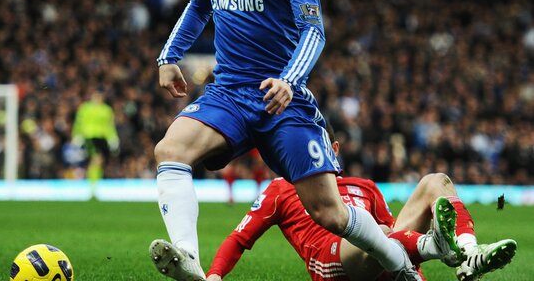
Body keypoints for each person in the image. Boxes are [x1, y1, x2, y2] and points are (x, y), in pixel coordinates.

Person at [149, 0, 421, 280]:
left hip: (283, 101)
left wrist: (289, 81)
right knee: (169, 150)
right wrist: (168, 57)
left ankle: (400, 269)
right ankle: (188, 257)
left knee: (329, 212)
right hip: (228, 94)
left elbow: (314, 32)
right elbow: (197, 8)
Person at [205, 145, 517, 281]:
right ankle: (439, 247)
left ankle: (467, 255)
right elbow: (239, 238)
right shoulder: (281, 187)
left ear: (334, 149)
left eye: (318, 146)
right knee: (377, 232)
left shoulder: (365, 186)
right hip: (331, 263)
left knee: (435, 182)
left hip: (379, 256)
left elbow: (397, 240)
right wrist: (215, 274)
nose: (311, 154)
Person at [71, 88, 119, 181]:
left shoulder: (106, 110)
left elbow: (109, 126)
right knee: (96, 159)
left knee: (99, 161)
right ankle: (93, 184)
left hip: (101, 138)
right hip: (89, 137)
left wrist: (112, 138)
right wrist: (77, 135)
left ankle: (94, 183)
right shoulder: (85, 108)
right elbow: (79, 123)